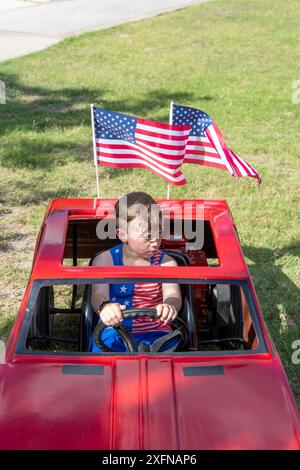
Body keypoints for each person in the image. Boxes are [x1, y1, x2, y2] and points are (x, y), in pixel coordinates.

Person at [91, 191, 182, 352]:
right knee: (102, 360)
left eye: (159, 233)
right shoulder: (106, 260)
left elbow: (173, 295)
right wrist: (105, 307)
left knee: (171, 359)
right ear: (123, 235)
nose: (155, 242)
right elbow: (98, 294)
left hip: (157, 332)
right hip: (114, 330)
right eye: (147, 237)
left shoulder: (166, 263)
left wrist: (169, 306)